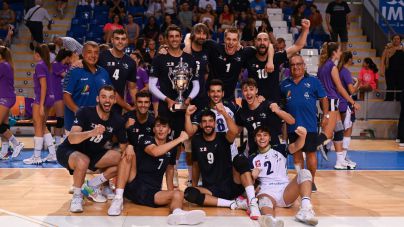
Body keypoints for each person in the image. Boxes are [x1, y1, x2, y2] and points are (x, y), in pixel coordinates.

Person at [107, 117, 206, 226]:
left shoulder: (171, 148)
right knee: (128, 153)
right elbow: (155, 152)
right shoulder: (146, 139)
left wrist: (171, 194)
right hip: (134, 184)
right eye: (158, 126)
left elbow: (169, 170)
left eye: (164, 127)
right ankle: (118, 198)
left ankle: (178, 214)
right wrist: (180, 139)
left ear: (169, 130)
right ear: (153, 129)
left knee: (178, 194)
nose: (160, 129)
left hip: (152, 192)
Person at [57, 85, 129, 213]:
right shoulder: (84, 112)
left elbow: (124, 147)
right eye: (103, 97)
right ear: (97, 99)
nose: (107, 100)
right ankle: (77, 196)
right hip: (69, 151)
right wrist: (91, 133)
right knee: (82, 160)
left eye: (111, 97)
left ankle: (91, 185)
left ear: (114, 101)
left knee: (123, 160)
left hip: (93, 154)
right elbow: (72, 138)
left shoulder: (118, 120)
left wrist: (130, 150)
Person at [251, 126, 318, 226]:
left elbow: (296, 145)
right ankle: (270, 221)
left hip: (285, 191)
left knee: (304, 172)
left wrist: (303, 136)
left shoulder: (280, 149)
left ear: (269, 138)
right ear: (255, 139)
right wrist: (253, 177)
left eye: (265, 135)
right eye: (259, 135)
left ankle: (305, 210)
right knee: (264, 201)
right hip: (267, 191)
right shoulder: (251, 157)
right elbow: (248, 182)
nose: (262, 138)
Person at [184, 27, 274, 103]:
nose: (231, 42)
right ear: (224, 39)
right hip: (209, 97)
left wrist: (270, 61)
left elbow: (269, 45)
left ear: (238, 41)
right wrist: (188, 46)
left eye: (234, 40)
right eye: (228, 39)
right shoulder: (214, 47)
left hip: (228, 99)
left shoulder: (243, 52)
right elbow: (189, 36)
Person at [184, 108, 249, 210]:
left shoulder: (223, 136)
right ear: (200, 125)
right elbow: (196, 165)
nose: (207, 124)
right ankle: (231, 203)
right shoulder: (196, 140)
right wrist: (194, 186)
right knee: (189, 193)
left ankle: (250, 199)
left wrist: (223, 113)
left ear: (215, 123)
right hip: (211, 189)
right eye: (204, 122)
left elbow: (235, 131)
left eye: (210, 121)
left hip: (230, 184)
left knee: (240, 159)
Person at [280, 54, 328, 193]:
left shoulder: (313, 81)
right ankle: (301, 180)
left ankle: (311, 181)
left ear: (304, 65)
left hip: (310, 125)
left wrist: (326, 115)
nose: (295, 67)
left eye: (298, 64)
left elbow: (324, 98)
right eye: (293, 65)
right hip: (292, 126)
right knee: (296, 154)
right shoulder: (284, 84)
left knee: (311, 153)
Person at [149, 24, 199, 140]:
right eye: (171, 36)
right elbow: (152, 86)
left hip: (184, 107)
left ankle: (176, 159)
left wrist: (189, 99)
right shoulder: (159, 59)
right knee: (162, 139)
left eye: (177, 36)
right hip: (165, 107)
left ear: (181, 37)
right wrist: (167, 100)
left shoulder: (190, 59)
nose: (174, 39)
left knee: (180, 140)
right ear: (166, 39)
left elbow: (196, 85)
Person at [317, 42, 360, 169]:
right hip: (330, 101)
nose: (341, 53)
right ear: (334, 52)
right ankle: (317, 143)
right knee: (328, 134)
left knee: (339, 129)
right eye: (339, 51)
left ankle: (339, 161)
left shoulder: (322, 66)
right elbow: (340, 88)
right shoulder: (332, 67)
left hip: (326, 100)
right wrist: (352, 102)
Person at [246, 19, 310, 102]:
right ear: (255, 42)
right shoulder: (248, 57)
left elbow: (298, 46)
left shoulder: (276, 57)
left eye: (265, 40)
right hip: (255, 104)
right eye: (259, 40)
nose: (262, 42)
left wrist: (305, 30)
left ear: (269, 43)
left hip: (273, 106)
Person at [236, 78, 295, 154]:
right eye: (245, 90)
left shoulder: (268, 105)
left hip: (274, 151)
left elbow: (291, 121)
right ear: (242, 93)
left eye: (251, 89)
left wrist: (278, 111)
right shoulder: (242, 112)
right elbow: (235, 131)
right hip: (255, 153)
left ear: (256, 90)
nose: (248, 93)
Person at [63, 41, 111, 131]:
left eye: (96, 52)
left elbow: (109, 95)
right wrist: (79, 113)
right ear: (83, 54)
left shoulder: (104, 73)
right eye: (89, 52)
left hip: (97, 126)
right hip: (75, 125)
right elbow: (66, 97)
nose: (93, 55)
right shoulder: (74, 71)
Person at [23, 44, 57, 165]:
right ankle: (52, 154)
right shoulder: (47, 65)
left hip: (42, 99)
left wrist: (41, 104)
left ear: (37, 54)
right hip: (50, 98)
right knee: (43, 126)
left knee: (37, 125)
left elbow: (43, 86)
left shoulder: (39, 65)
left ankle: (36, 156)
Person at [97, 29, 137, 114]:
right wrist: (80, 62)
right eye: (117, 38)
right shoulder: (101, 56)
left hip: (117, 105)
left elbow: (132, 88)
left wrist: (137, 105)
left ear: (126, 41)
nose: (120, 42)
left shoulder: (131, 62)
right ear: (112, 40)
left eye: (123, 39)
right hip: (98, 103)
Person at [0, 46, 24, 160]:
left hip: (5, 98)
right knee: (3, 126)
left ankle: (17, 144)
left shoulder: (3, 66)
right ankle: (4, 152)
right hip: (6, 97)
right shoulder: (6, 65)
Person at [337, 51, 359, 167]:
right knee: (347, 130)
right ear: (349, 59)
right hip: (345, 103)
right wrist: (358, 83)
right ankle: (343, 157)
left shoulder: (338, 70)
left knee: (340, 130)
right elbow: (352, 91)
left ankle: (342, 156)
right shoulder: (345, 72)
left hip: (338, 103)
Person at [51, 48, 72, 146]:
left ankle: (64, 140)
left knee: (66, 118)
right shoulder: (55, 64)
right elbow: (67, 76)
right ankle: (57, 142)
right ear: (67, 57)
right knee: (60, 119)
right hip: (57, 94)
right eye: (70, 57)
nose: (71, 59)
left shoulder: (68, 65)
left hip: (66, 95)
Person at [381, 34, 404, 101]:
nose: (396, 40)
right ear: (392, 40)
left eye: (398, 38)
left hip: (401, 72)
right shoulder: (387, 48)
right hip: (390, 71)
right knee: (390, 87)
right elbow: (383, 60)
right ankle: (388, 100)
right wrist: (382, 70)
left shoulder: (403, 48)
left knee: (400, 87)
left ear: (400, 40)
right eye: (394, 38)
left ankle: (400, 101)